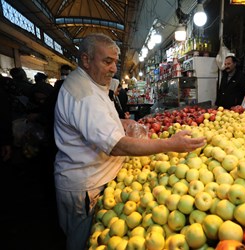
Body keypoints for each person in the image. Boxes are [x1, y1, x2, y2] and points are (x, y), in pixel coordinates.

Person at [54, 33, 206, 250]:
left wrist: (123, 124)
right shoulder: (84, 94)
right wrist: (170, 144)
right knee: (82, 241)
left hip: (98, 179)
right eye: (107, 61)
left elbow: (96, 124)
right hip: (86, 186)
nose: (114, 68)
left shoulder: (90, 84)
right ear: (86, 60)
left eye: (115, 62)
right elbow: (117, 145)